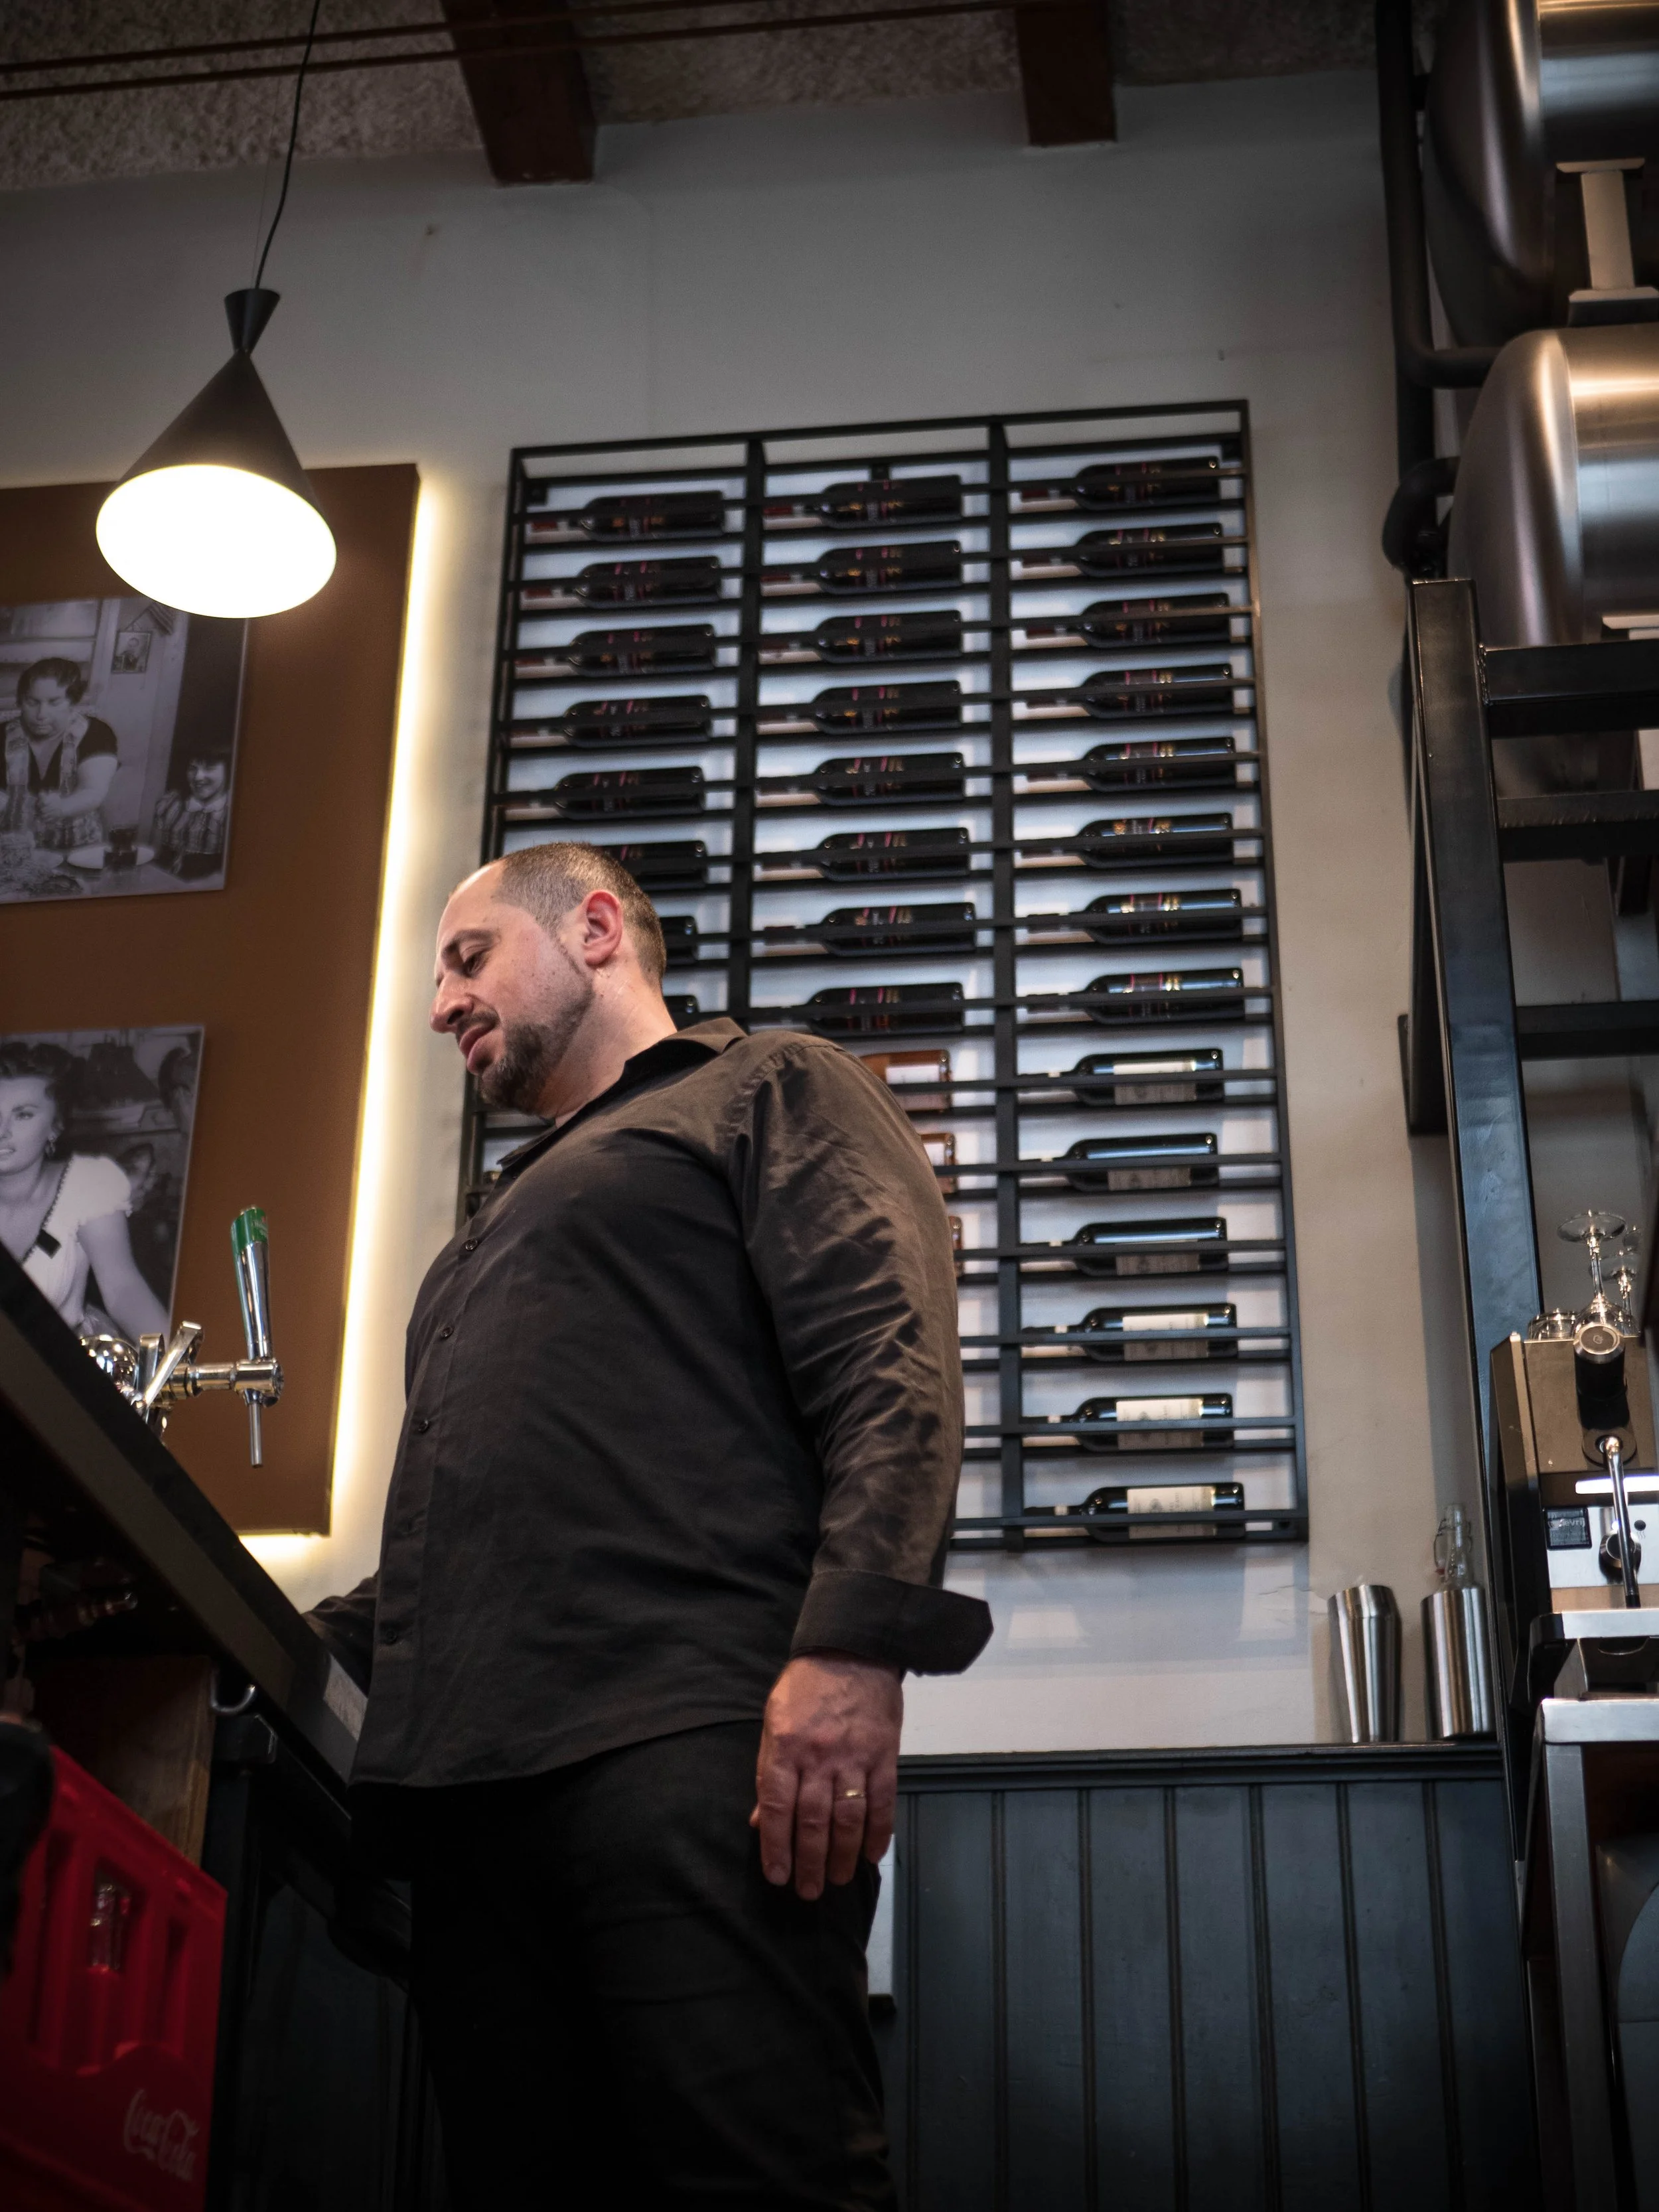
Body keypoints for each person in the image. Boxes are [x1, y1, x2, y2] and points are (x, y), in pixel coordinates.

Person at [309, 840, 990, 2211]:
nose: (440, 1005)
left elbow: (890, 1362)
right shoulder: (484, 1233)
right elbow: (470, 1528)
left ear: (596, 927)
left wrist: (852, 1653)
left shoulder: (767, 1086)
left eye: (467, 957)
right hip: (465, 1800)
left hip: (688, 1752)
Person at [0, 1041, 168, 1343]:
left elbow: (123, 1290)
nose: (2, 1131)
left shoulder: (85, 1185)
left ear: (55, 1126)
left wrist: (177, 1361)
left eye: (23, 1115)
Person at [3, 658, 119, 853]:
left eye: (54, 702)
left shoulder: (97, 733)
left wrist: (63, 807)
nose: (41, 714)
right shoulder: (3, 735)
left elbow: (92, 790)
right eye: (32, 702)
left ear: (72, 702)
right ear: (21, 701)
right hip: (13, 848)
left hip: (78, 848)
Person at [151, 751, 230, 880]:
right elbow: (155, 853)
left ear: (229, 770)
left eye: (209, 768)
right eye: (193, 769)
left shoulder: (231, 812)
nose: (198, 777)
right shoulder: (170, 802)